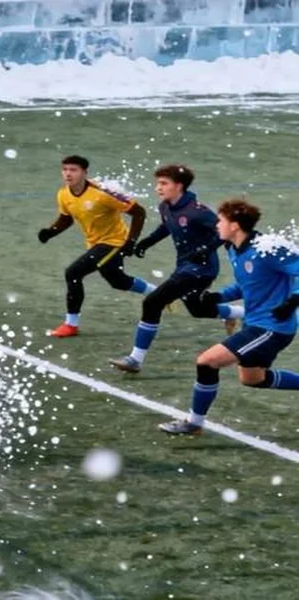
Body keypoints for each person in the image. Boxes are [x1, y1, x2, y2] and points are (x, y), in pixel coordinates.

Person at [159, 198, 299, 435]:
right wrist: (218, 296)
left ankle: (194, 423)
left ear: (234, 225)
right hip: (255, 324)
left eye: (221, 221)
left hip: (272, 328)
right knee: (253, 379)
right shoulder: (235, 249)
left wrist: (292, 302)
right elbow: (248, 283)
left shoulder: (267, 249)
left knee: (206, 362)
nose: (217, 225)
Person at [109, 165, 244, 373]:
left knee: (153, 302)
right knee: (198, 310)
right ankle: (240, 312)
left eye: (164, 183)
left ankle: (135, 359)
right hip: (184, 267)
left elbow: (223, 231)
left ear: (179, 186)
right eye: (158, 183)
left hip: (201, 270)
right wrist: (147, 242)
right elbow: (166, 226)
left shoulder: (197, 211)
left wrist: (205, 249)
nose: (158, 188)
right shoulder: (165, 207)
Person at [38, 155, 156, 338]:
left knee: (73, 273)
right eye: (65, 169)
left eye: (73, 170)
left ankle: (71, 325)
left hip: (115, 242)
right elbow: (67, 218)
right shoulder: (63, 194)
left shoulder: (103, 193)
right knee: (118, 281)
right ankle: (159, 294)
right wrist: (51, 231)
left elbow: (139, 212)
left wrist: (131, 241)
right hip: (95, 244)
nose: (68, 174)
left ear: (85, 173)